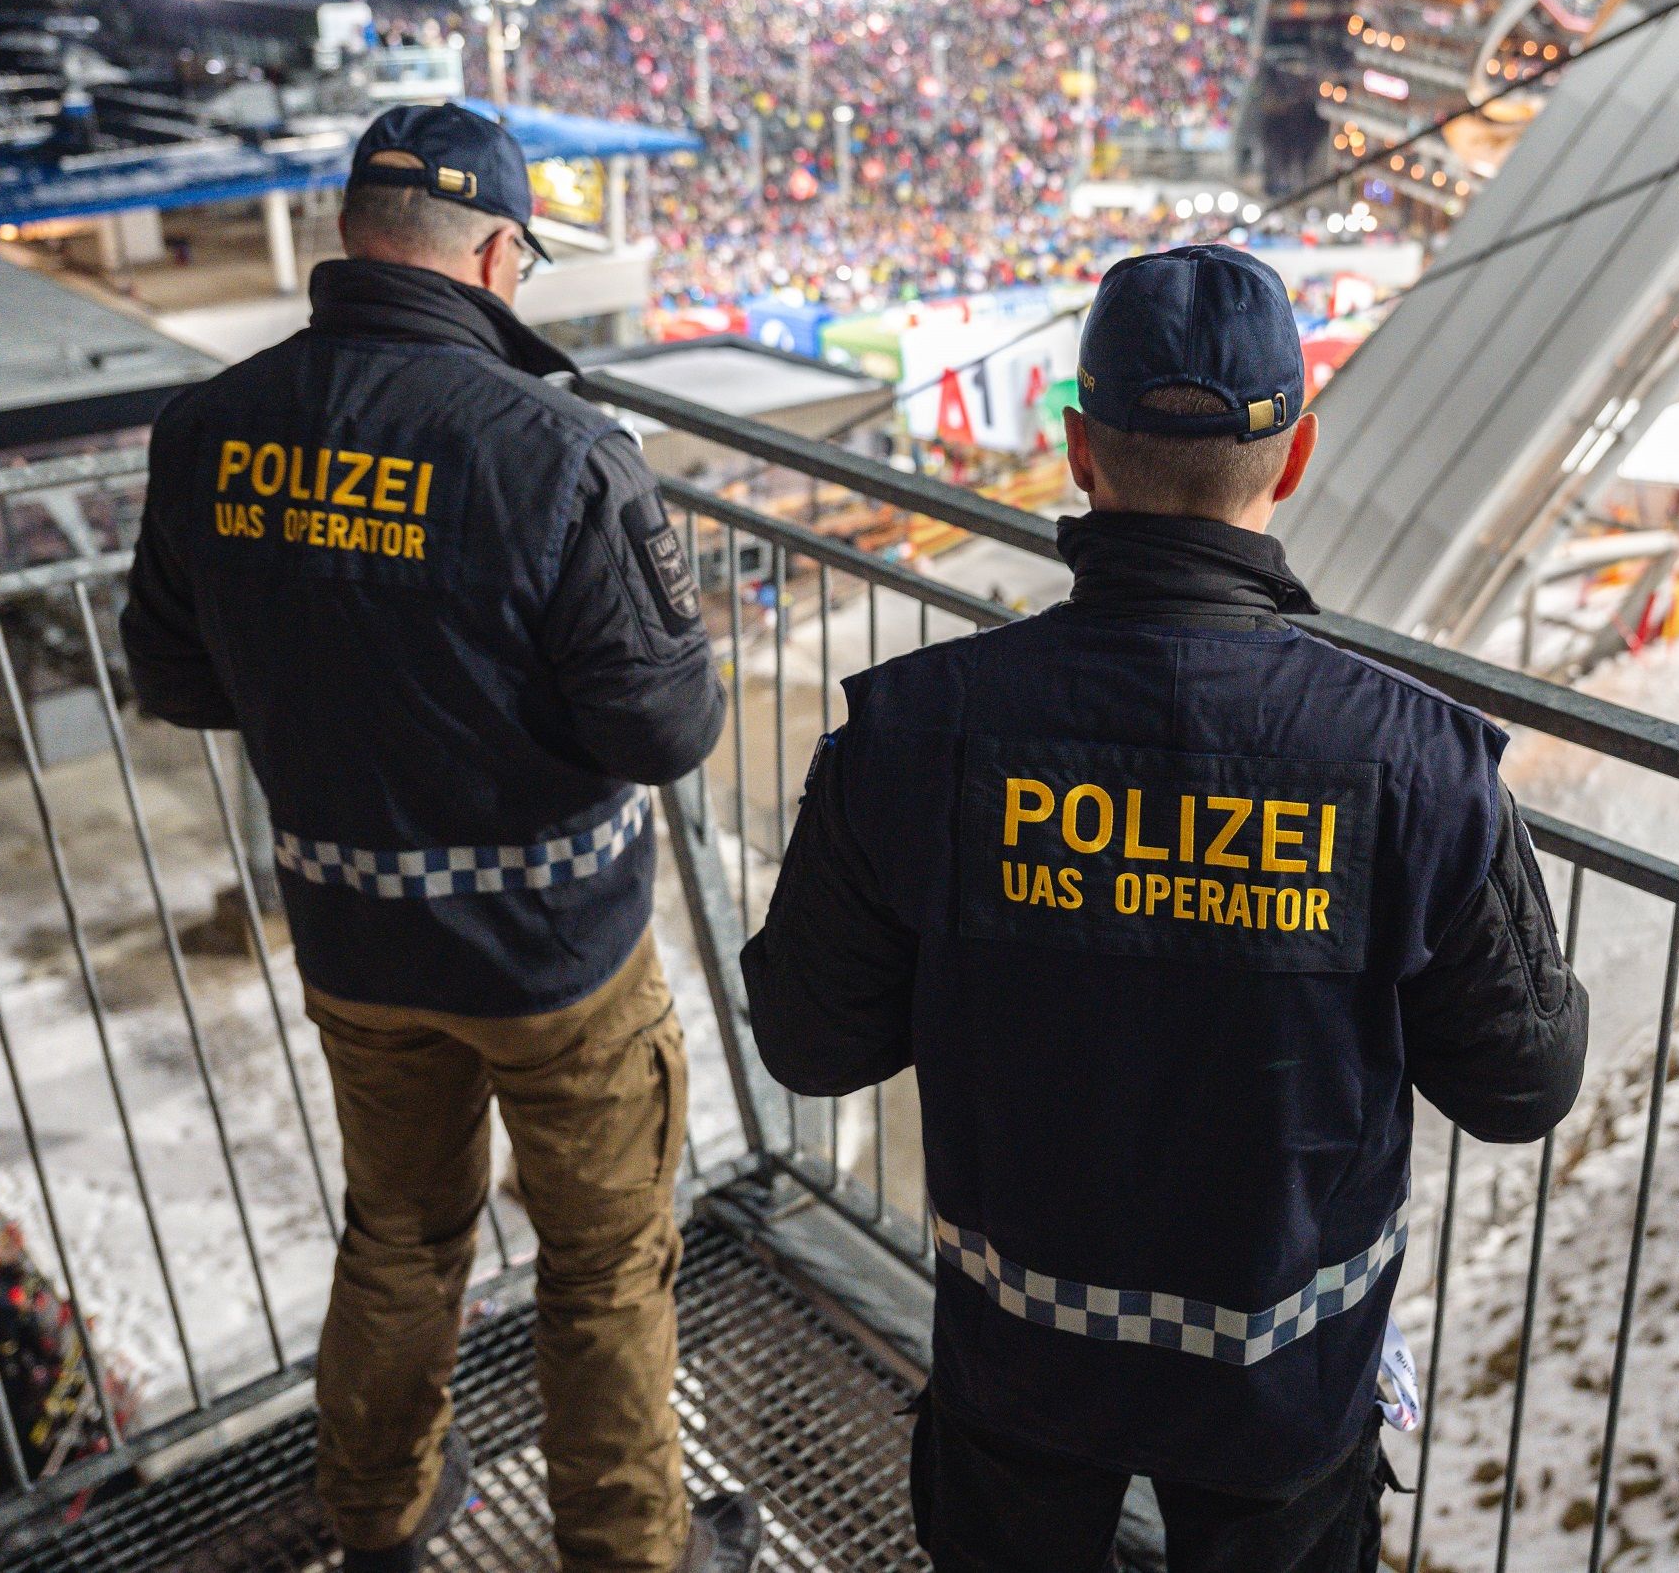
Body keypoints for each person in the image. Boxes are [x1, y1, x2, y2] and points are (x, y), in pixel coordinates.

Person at [741, 244, 1589, 1571]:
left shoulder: (915, 734)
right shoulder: (1419, 762)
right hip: (1284, 1386)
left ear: (1081, 452)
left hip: (1017, 1365)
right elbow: (1524, 1083)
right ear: (1295, 458)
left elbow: (808, 1039)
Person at [120, 105, 757, 1573]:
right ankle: (633, 1551)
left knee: (400, 1237)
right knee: (603, 1265)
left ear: (352, 238)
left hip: (354, 939)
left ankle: (384, 1517)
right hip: (559, 960)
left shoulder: (209, 427)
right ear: (490, 254)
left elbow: (173, 676)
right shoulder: (557, 450)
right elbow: (667, 731)